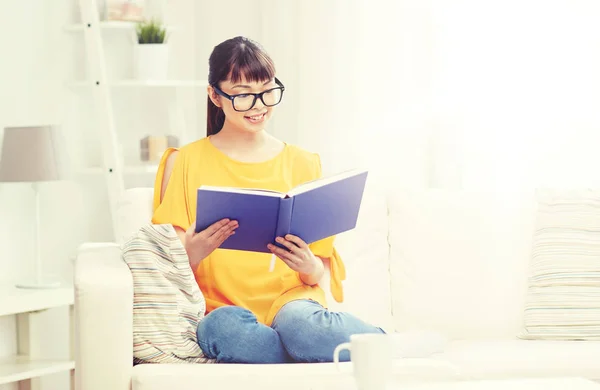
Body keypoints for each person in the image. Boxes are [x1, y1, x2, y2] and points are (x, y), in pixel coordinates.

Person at [151, 36, 384, 364]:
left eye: (266, 90)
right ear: (214, 96)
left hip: (291, 305)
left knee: (304, 328)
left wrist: (309, 266)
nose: (259, 105)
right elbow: (167, 266)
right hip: (222, 309)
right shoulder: (185, 161)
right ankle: (299, 354)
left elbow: (318, 273)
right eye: (243, 95)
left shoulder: (304, 162)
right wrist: (194, 251)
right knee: (225, 330)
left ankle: (384, 345)